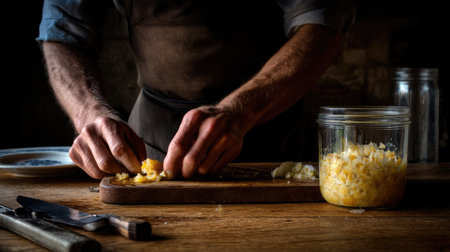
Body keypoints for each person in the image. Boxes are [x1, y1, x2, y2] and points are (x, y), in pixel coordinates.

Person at [38, 0, 355, 179]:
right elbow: (62, 31)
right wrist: (90, 113)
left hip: (272, 134)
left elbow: (321, 26)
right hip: (150, 140)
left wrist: (240, 111)